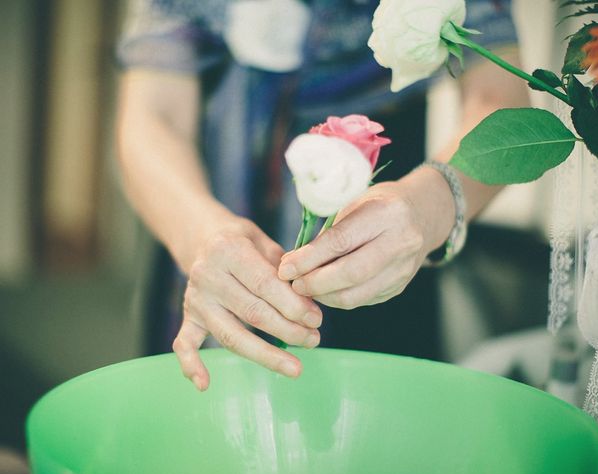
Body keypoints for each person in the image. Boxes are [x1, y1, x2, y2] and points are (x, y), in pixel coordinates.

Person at [116, 0, 529, 391]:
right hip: (200, 201)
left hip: (383, 220)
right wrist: (201, 237)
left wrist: (430, 206)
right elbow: (154, 114)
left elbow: (502, 101)